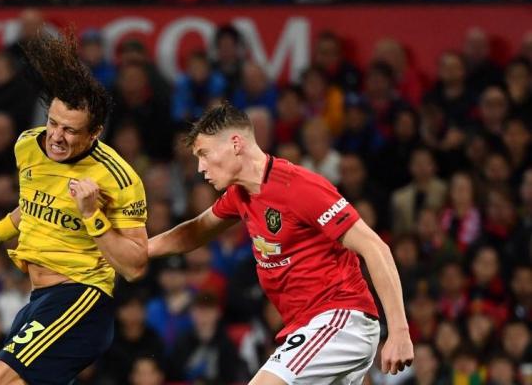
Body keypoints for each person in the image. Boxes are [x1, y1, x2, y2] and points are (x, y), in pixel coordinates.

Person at [148, 103, 413, 384]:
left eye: (205, 154)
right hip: (310, 326)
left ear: (235, 143)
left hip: (339, 319)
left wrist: (399, 332)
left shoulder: (299, 187)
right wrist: (143, 250)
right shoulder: (241, 194)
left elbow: (376, 247)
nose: (200, 167)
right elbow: (195, 231)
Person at [0, 31, 148, 385]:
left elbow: (136, 265)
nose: (56, 136)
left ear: (94, 133)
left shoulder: (119, 179)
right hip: (39, 299)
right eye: (53, 122)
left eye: (69, 130)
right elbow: (34, 203)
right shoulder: (27, 146)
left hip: (81, 299)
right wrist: (1, 228)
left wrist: (92, 215)